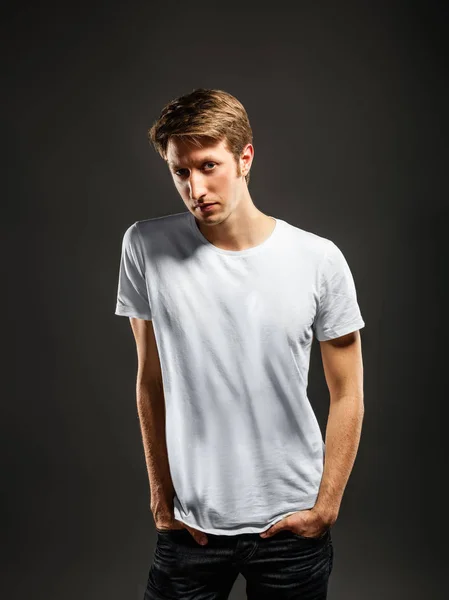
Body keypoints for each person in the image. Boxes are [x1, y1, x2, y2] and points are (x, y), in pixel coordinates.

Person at [115, 88, 365, 599]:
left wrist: (327, 506)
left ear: (245, 157)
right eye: (180, 171)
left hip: (291, 525)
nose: (194, 187)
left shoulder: (318, 259)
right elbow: (149, 381)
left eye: (209, 166)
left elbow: (349, 392)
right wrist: (161, 498)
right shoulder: (144, 246)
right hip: (191, 526)